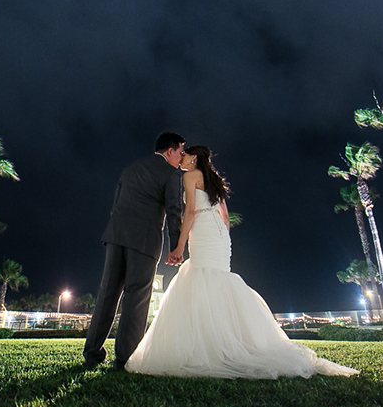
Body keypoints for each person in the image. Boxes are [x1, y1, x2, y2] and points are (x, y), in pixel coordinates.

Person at [125, 145, 359, 379]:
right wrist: (224, 241)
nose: (181, 158)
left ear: (194, 158)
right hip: (220, 238)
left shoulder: (190, 176)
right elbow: (225, 217)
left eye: (184, 155)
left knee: (200, 278)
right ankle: (228, 341)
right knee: (218, 281)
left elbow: (191, 213)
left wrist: (179, 245)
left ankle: (210, 345)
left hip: (204, 233)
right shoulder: (214, 180)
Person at [83, 132, 186, 370]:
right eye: (180, 152)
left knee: (107, 293)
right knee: (136, 297)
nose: (182, 158)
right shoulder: (172, 174)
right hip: (144, 240)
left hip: (115, 235)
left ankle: (91, 353)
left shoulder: (130, 169)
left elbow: (116, 204)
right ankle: (125, 359)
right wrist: (176, 247)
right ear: (169, 151)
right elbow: (174, 210)